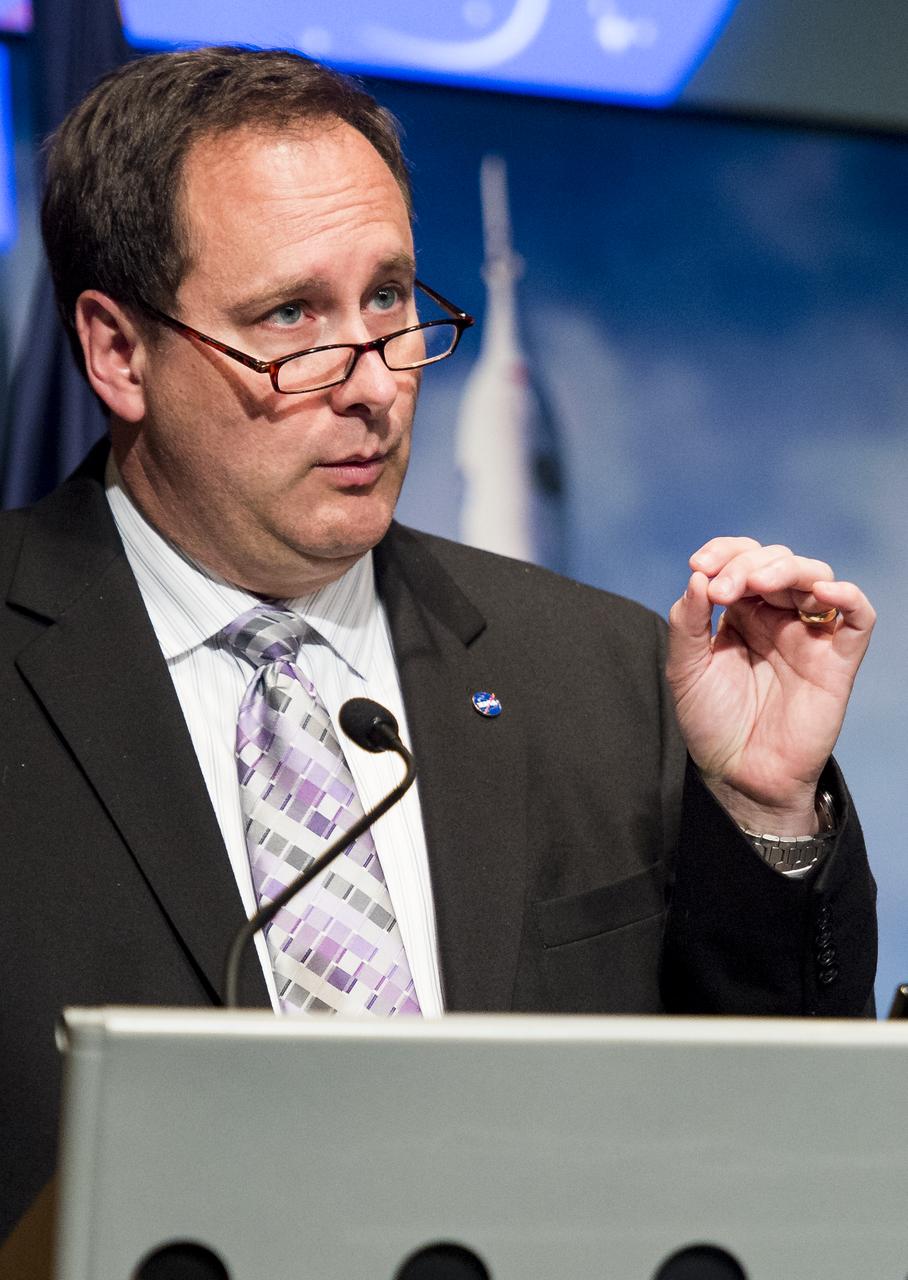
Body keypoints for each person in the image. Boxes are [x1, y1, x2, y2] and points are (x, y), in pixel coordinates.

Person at [0, 46, 876, 1240]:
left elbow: (772, 1150)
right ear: (117, 352)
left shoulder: (602, 673)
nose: (371, 382)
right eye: (292, 317)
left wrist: (765, 814)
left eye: (390, 298)